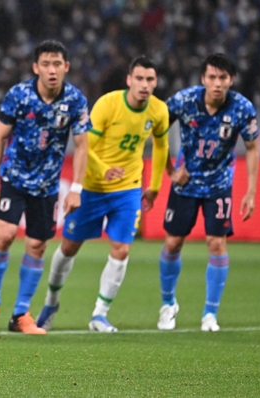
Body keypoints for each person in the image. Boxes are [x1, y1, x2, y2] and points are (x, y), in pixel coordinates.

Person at [36, 56, 169, 332]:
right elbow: (86, 148)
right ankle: (51, 302)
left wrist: (155, 185)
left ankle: (99, 314)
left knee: (121, 248)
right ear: (129, 80)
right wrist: (104, 169)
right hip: (93, 186)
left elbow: (160, 146)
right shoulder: (108, 105)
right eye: (140, 79)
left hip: (128, 188)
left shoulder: (158, 111)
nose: (145, 85)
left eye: (150, 80)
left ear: (155, 82)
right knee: (69, 246)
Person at [0, 40, 90, 335]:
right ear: (36, 67)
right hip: (13, 179)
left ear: (66, 67)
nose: (52, 70)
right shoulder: (19, 95)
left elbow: (80, 146)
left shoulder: (75, 101)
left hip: (48, 186)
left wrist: (76, 187)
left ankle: (21, 314)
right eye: (46, 64)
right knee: (5, 234)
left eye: (57, 64)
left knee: (37, 245)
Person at [157, 53, 258, 332]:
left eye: (223, 78)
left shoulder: (242, 108)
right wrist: (170, 170)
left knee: (216, 243)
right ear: (203, 79)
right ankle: (168, 304)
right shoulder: (184, 100)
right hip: (185, 183)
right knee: (173, 243)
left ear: (231, 80)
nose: (217, 83)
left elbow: (251, 148)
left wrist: (251, 191)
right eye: (211, 77)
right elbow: (157, 128)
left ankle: (210, 314)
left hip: (219, 185)